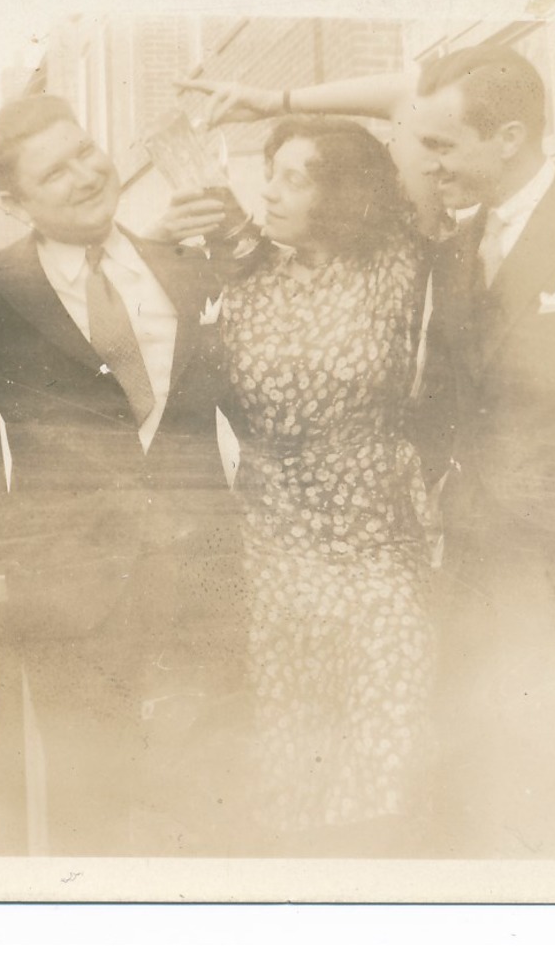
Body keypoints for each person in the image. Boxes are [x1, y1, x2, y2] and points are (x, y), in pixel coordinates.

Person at [185, 44, 555, 855]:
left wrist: (274, 93)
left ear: (510, 135)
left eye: (443, 145)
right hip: (431, 562)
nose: (428, 159)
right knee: (459, 782)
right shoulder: (446, 255)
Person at [0, 94, 230, 855]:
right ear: (12, 200)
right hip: (74, 598)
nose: (85, 174)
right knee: (90, 823)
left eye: (85, 151)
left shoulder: (184, 267)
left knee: (220, 806)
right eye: (54, 173)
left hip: (209, 583)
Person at [168, 116, 437, 855]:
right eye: (270, 172)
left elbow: (415, 99)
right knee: (298, 767)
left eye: (297, 175)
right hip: (278, 553)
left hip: (378, 545)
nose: (271, 190)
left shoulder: (398, 261)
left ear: (345, 188)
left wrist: (277, 96)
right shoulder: (242, 281)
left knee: (387, 753)